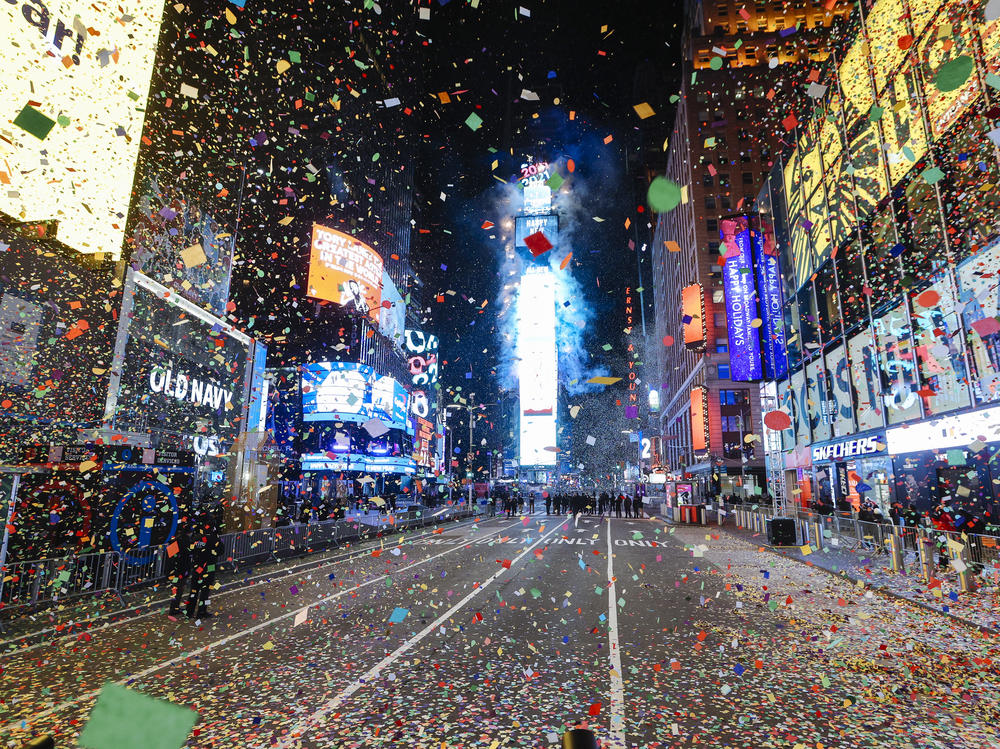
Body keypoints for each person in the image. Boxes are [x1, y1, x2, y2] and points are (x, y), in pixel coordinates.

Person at [187, 519, 223, 619]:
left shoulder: (197, 538)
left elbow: (190, 550)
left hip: (197, 566)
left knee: (194, 589)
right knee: (205, 591)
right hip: (209, 566)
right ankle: (202, 612)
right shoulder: (214, 538)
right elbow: (221, 551)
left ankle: (189, 612)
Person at [166, 519, 192, 617]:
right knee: (178, 590)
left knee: (175, 589)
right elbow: (187, 556)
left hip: (173, 570)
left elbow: (170, 558)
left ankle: (174, 607)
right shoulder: (185, 542)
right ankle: (174, 609)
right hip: (181, 570)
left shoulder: (174, 542)